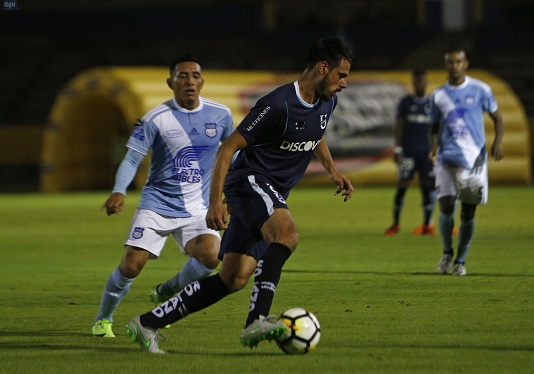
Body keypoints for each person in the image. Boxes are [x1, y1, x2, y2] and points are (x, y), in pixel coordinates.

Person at [125, 36, 355, 354]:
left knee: (233, 278)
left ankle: (147, 323)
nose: (344, 83)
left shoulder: (327, 102)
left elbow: (315, 134)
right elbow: (228, 148)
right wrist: (215, 201)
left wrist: (333, 171)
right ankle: (257, 320)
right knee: (286, 234)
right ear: (323, 67)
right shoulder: (277, 104)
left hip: (270, 192)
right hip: (250, 182)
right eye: (341, 75)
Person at [91, 55, 234, 337]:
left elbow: (235, 152)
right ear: (170, 83)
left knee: (211, 256)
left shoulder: (221, 115)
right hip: (157, 205)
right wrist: (119, 190)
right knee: (131, 265)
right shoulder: (155, 118)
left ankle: (168, 290)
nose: (189, 81)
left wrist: (232, 193)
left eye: (195, 75)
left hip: (197, 207)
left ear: (202, 82)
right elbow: (132, 159)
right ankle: (103, 319)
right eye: (182, 76)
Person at [430, 47, 504, 276]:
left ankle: (460, 261)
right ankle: (446, 252)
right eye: (450, 62)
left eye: (458, 61)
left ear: (466, 64)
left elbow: (498, 118)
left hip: (474, 160)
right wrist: (433, 148)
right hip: (446, 159)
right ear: (446, 65)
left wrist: (498, 142)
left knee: (468, 213)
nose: (454, 66)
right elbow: (433, 128)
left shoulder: (481, 89)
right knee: (445, 206)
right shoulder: (438, 95)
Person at [384, 69, 435, 236]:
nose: (420, 83)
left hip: (426, 153)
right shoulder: (406, 103)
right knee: (402, 186)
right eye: (417, 81)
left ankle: (427, 225)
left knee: (427, 187)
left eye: (423, 80)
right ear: (413, 83)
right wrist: (398, 148)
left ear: (426, 82)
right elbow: (399, 126)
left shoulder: (432, 103)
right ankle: (395, 224)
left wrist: (436, 149)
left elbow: (436, 129)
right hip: (408, 152)